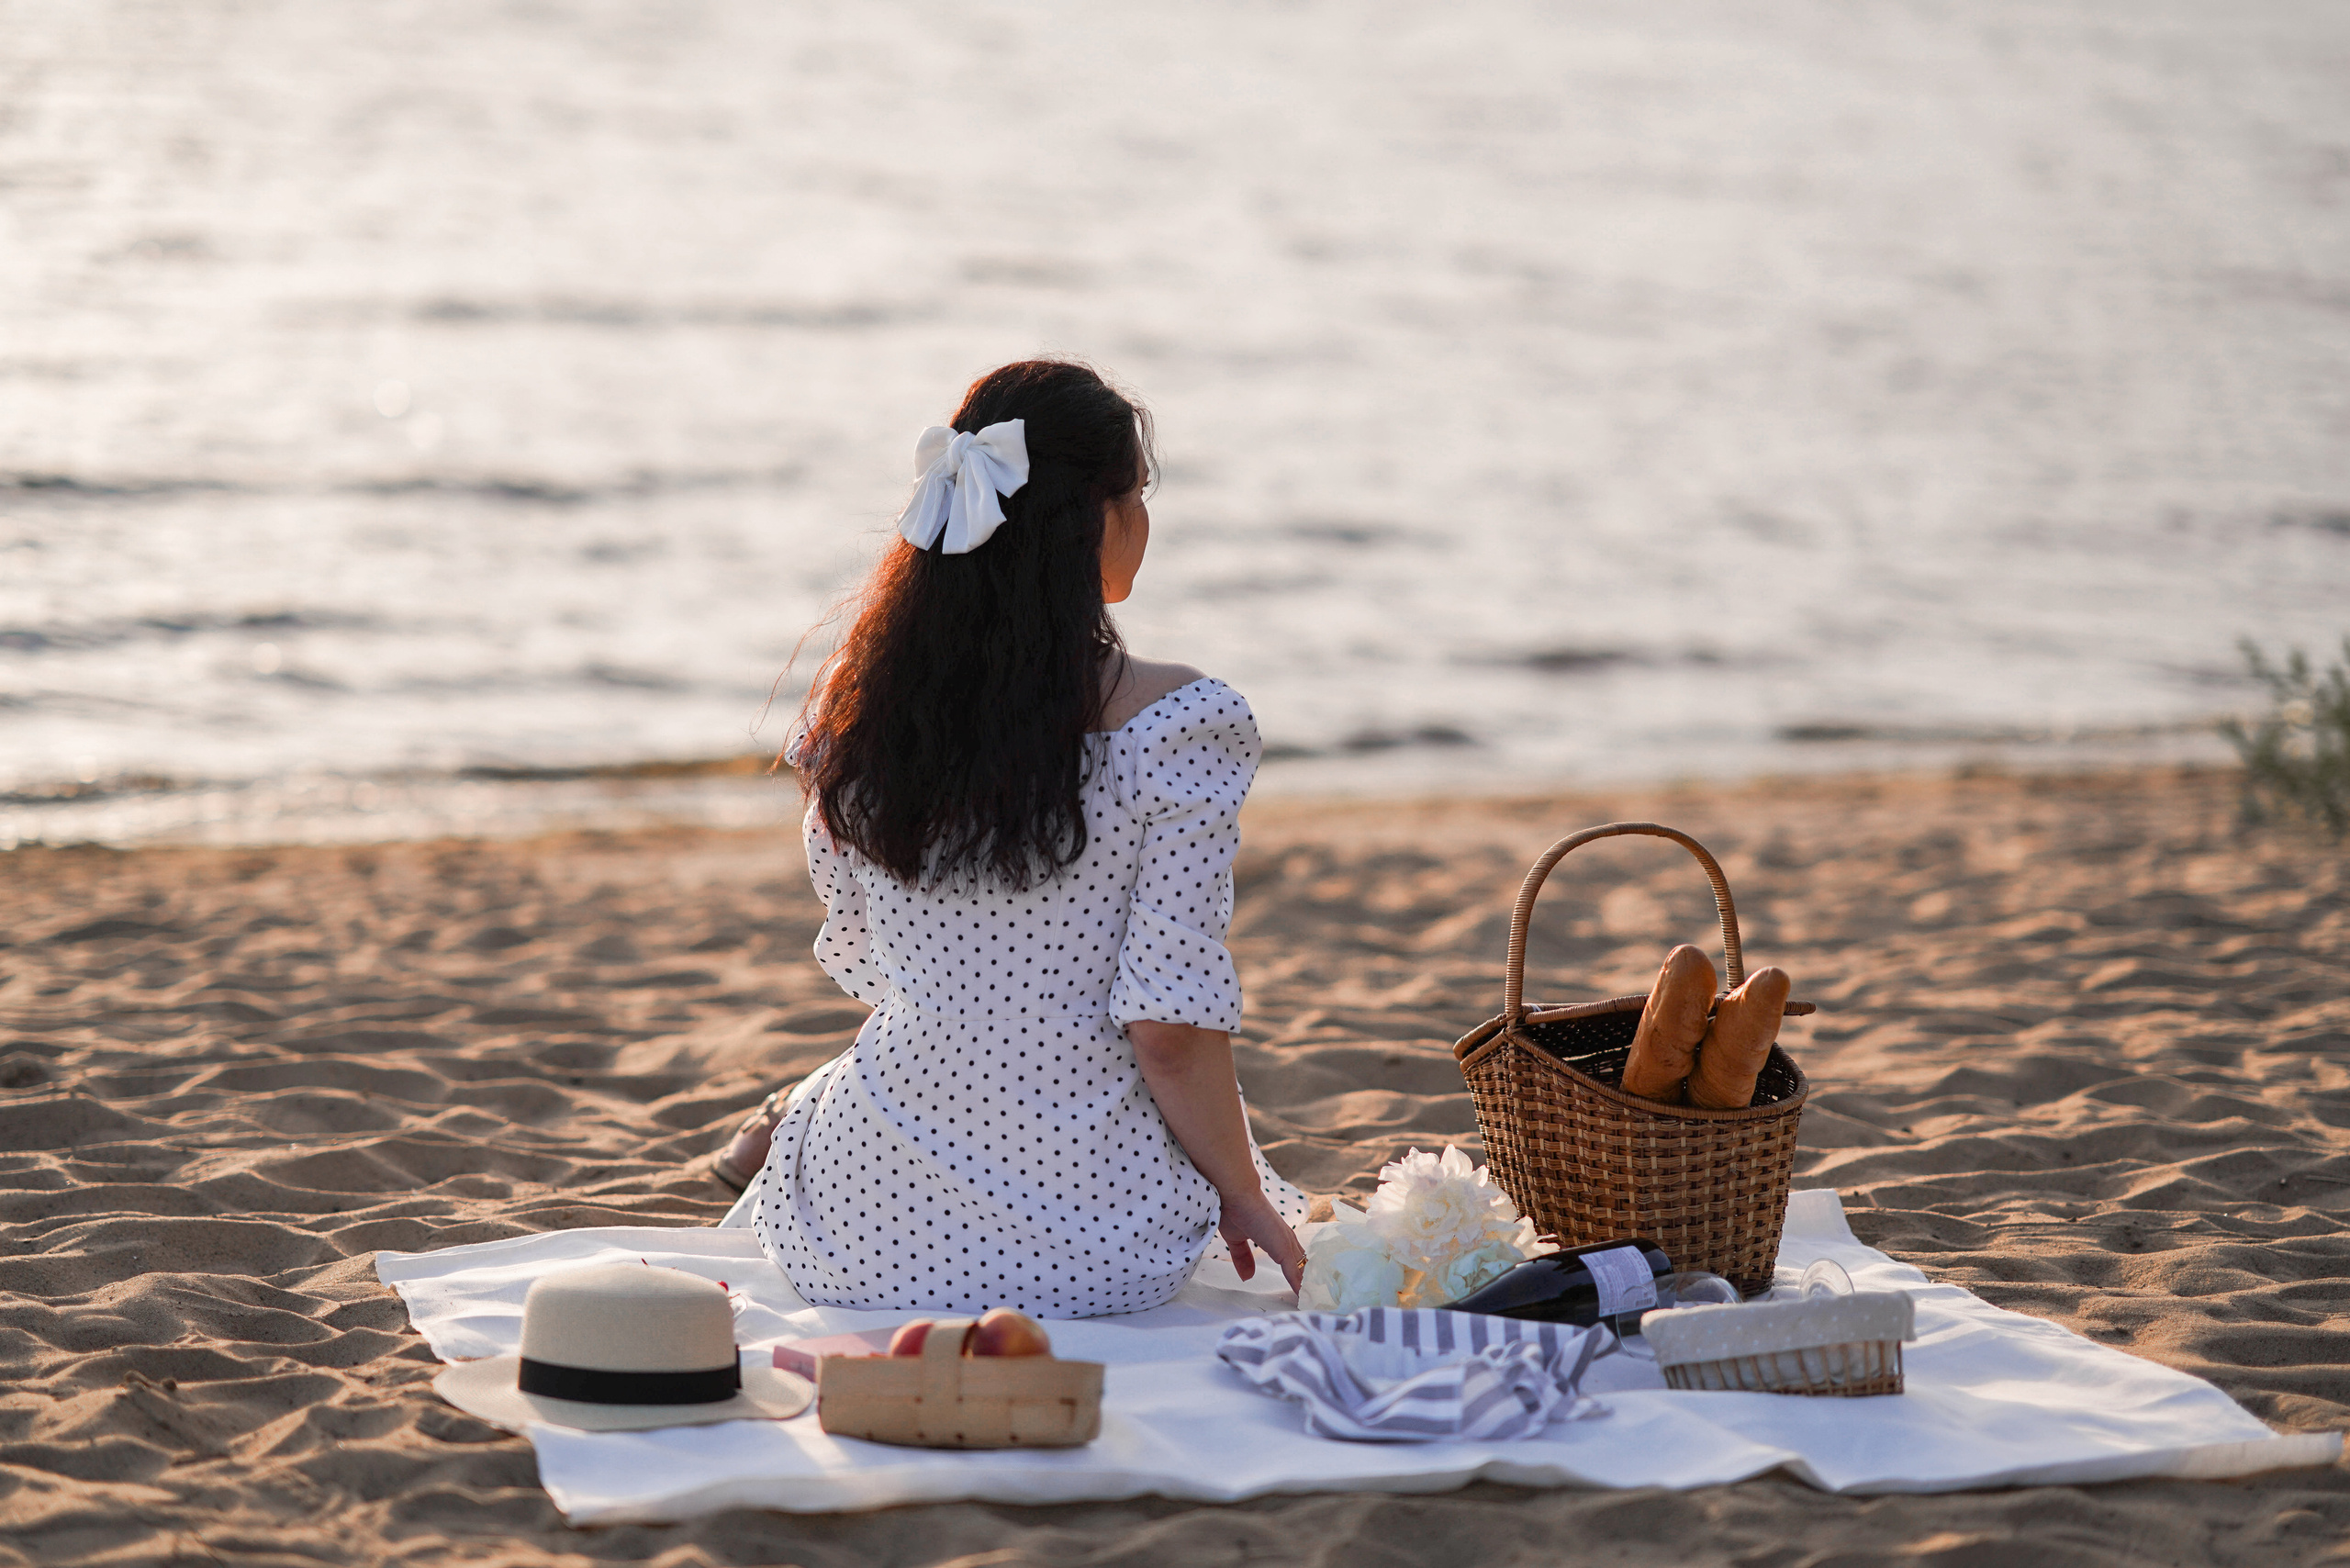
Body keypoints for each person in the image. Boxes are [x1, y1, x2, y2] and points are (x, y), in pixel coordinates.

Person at [715, 359, 1309, 1317]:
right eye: (1139, 495)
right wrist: (1241, 1195)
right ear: (1097, 519)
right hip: (1093, 1244)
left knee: (861, 1073)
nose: (1144, 520)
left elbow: (876, 957)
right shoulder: (1179, 724)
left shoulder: (853, 713)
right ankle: (779, 1115)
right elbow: (1166, 1033)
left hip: (869, 1228)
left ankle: (778, 1121)